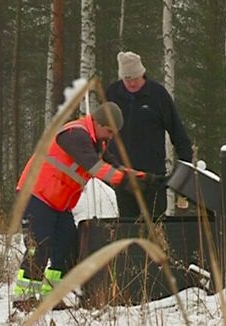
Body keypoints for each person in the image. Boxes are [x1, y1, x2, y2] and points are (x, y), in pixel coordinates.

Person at [12, 101, 166, 311]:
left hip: (59, 204)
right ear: (97, 122)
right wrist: (124, 182)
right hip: (35, 196)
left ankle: (51, 296)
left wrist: (146, 178)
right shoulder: (75, 135)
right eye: (109, 131)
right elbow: (96, 168)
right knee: (38, 247)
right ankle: (24, 299)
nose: (111, 137)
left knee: (67, 248)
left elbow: (115, 167)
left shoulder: (96, 143)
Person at [106, 51, 192, 218]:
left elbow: (178, 133)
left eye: (135, 79)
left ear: (142, 74)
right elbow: (100, 130)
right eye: (127, 79)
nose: (131, 83)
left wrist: (183, 168)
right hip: (121, 178)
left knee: (154, 227)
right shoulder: (112, 94)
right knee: (126, 230)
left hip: (152, 179)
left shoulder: (158, 95)